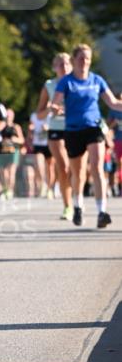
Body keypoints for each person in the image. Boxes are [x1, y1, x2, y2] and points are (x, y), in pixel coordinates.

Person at [51, 43, 122, 228]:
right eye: (81, 58)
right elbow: (55, 103)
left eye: (87, 59)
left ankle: (102, 212)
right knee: (78, 173)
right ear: (74, 60)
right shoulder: (66, 81)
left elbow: (113, 103)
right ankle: (78, 207)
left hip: (93, 128)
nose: (84, 62)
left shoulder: (97, 80)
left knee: (98, 168)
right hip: (73, 131)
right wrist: (55, 108)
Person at [36, 52, 73, 219]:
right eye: (60, 64)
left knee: (76, 170)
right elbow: (39, 115)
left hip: (76, 128)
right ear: (54, 67)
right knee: (63, 167)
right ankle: (68, 206)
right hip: (56, 129)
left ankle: (76, 200)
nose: (64, 67)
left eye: (66, 63)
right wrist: (50, 109)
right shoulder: (49, 85)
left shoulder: (78, 83)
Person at [0, 109, 24, 199]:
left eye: (10, 115)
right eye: (7, 115)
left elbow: (22, 140)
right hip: (4, 151)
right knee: (4, 173)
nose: (8, 117)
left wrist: (15, 139)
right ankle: (5, 189)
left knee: (11, 171)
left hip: (14, 151)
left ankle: (10, 191)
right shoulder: (2, 126)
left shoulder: (16, 127)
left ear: (13, 117)